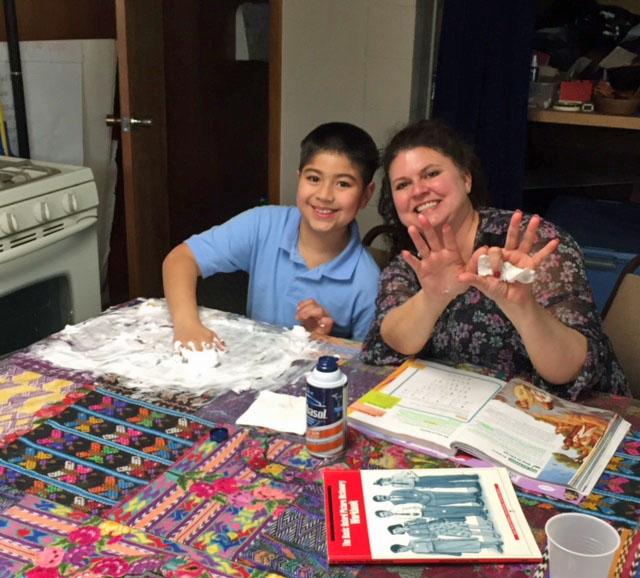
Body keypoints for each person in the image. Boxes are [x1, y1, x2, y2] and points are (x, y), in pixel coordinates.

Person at [361, 119, 630, 400]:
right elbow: (392, 341)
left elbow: (572, 371)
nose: (418, 190)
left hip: (563, 417)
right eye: (403, 184)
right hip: (461, 414)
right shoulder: (411, 259)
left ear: (466, 179)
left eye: (431, 173)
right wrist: (433, 298)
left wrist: (524, 308)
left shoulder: (530, 244)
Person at [163, 122, 381, 349]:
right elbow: (181, 259)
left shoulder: (367, 283)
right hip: (251, 367)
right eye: (314, 179)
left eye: (343, 184)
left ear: (366, 195)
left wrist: (324, 341)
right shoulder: (263, 224)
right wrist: (187, 324)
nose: (325, 195)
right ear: (299, 178)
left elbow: (365, 367)